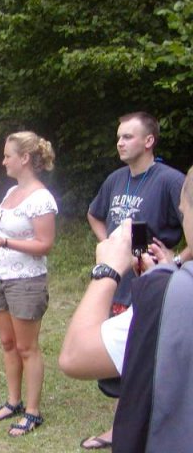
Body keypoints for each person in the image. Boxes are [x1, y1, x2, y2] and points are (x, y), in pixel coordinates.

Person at [59, 164, 193, 452]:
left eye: (184, 212)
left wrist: (107, 269)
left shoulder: (168, 295)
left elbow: (75, 356)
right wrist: (170, 272)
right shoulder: (116, 179)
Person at [81, 112, 189, 449]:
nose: (120, 142)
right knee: (118, 355)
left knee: (144, 355)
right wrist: (109, 245)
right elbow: (93, 214)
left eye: (128, 136)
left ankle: (145, 424)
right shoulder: (116, 179)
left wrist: (176, 260)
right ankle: (120, 425)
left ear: (149, 141)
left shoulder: (170, 180)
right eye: (119, 137)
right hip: (118, 280)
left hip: (154, 285)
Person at [0, 131, 57, 437]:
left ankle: (33, 412)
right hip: (0, 278)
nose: (3, 161)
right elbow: (1, 233)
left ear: (24, 158)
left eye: (7, 156)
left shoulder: (41, 198)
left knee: (27, 347)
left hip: (26, 282)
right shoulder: (11, 192)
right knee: (8, 343)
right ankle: (13, 402)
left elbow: (45, 244)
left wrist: (7, 243)